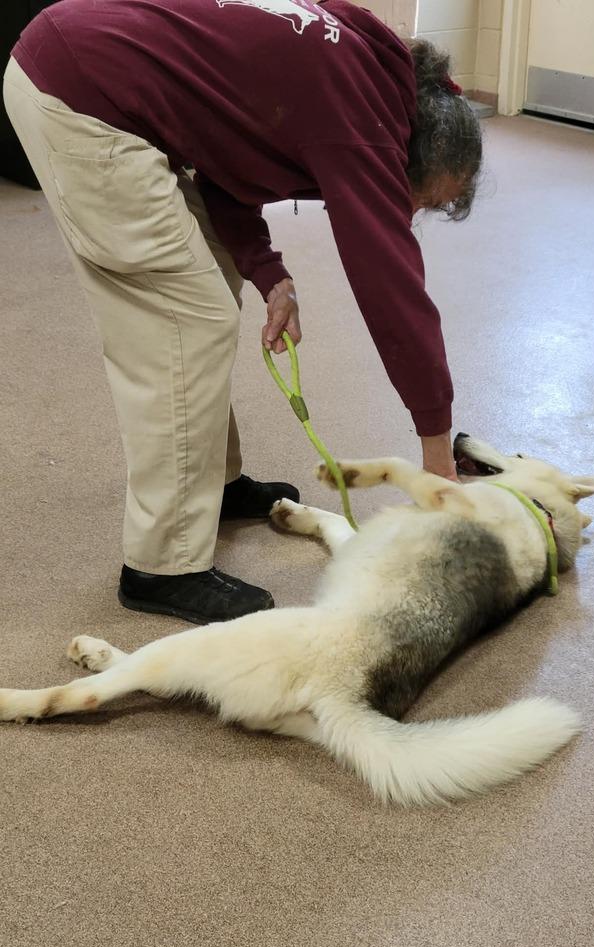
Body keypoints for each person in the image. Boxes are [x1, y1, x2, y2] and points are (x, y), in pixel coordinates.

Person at [3, 0, 483, 625]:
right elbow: (392, 288)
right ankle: (162, 564)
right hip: (87, 99)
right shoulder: (365, 125)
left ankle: (212, 486)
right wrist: (437, 451)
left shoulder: (366, 69)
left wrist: (267, 271)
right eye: (420, 199)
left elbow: (226, 149)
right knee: (183, 319)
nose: (409, 213)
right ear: (412, 152)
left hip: (100, 75)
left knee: (211, 281)